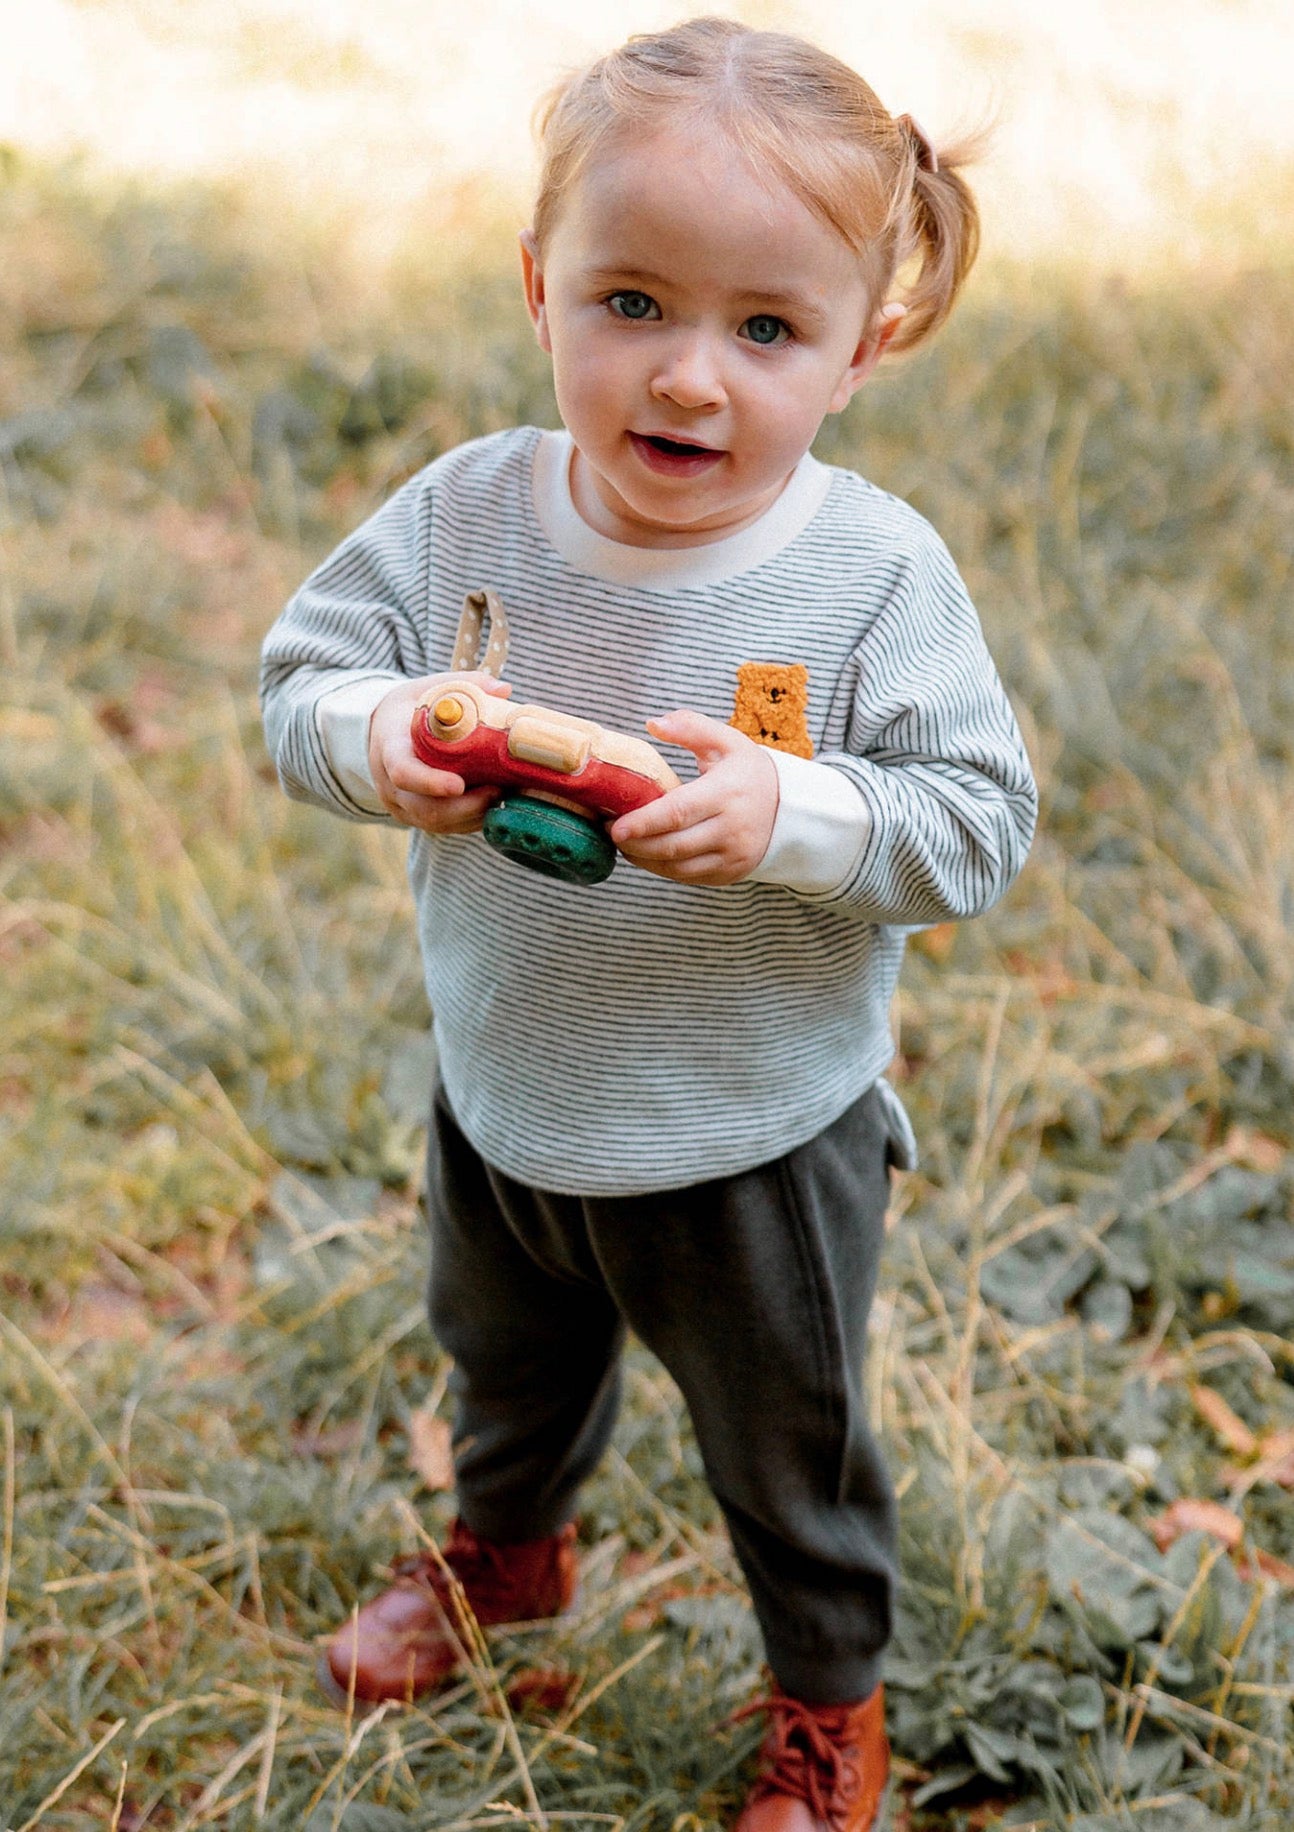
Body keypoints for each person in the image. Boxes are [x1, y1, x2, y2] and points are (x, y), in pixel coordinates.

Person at [260, 17, 1037, 1830]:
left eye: (766, 330)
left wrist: (796, 815)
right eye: (631, 304)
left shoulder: (867, 575)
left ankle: (823, 1703)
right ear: (539, 288)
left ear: (862, 349)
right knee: (505, 1368)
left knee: (788, 1448)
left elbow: (979, 827)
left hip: (752, 1134)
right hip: (507, 1096)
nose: (689, 378)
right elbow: (303, 688)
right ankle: (510, 1553)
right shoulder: (463, 512)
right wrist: (384, 739)